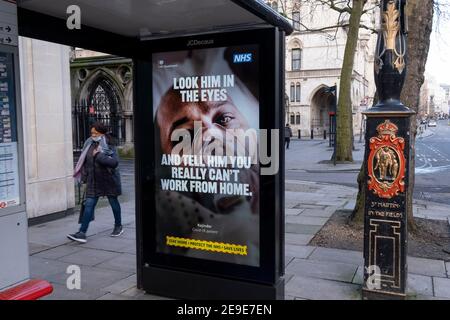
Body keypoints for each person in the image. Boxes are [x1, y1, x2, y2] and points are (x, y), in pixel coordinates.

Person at [67, 122, 123, 243]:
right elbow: (86, 162)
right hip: (94, 180)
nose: (93, 135)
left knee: (113, 202)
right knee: (89, 205)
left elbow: (114, 163)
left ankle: (118, 226)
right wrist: (84, 178)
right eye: (92, 133)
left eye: (95, 133)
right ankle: (82, 233)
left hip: (109, 179)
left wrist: (98, 155)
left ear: (102, 133)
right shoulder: (89, 143)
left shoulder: (109, 144)